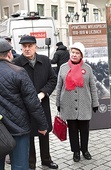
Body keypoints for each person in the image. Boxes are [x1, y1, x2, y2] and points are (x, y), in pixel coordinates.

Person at [0, 38, 48, 170]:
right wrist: (42, 125)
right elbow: (32, 102)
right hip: (18, 128)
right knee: (20, 165)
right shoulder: (19, 72)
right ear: (9, 53)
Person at [13, 35, 58, 169]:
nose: (27, 49)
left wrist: (43, 92)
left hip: (42, 104)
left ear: (35, 46)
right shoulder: (16, 63)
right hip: (24, 107)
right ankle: (31, 162)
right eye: (24, 46)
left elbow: (53, 79)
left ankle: (46, 159)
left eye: (30, 46)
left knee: (44, 133)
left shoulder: (44, 60)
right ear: (21, 47)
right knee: (29, 135)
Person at [56, 42, 99, 162]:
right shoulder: (63, 68)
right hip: (67, 104)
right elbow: (59, 86)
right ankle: (75, 151)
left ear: (81, 55)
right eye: (73, 52)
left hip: (84, 103)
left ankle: (84, 150)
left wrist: (95, 103)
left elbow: (92, 87)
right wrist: (58, 103)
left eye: (77, 53)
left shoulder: (87, 68)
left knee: (84, 129)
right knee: (73, 129)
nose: (74, 55)